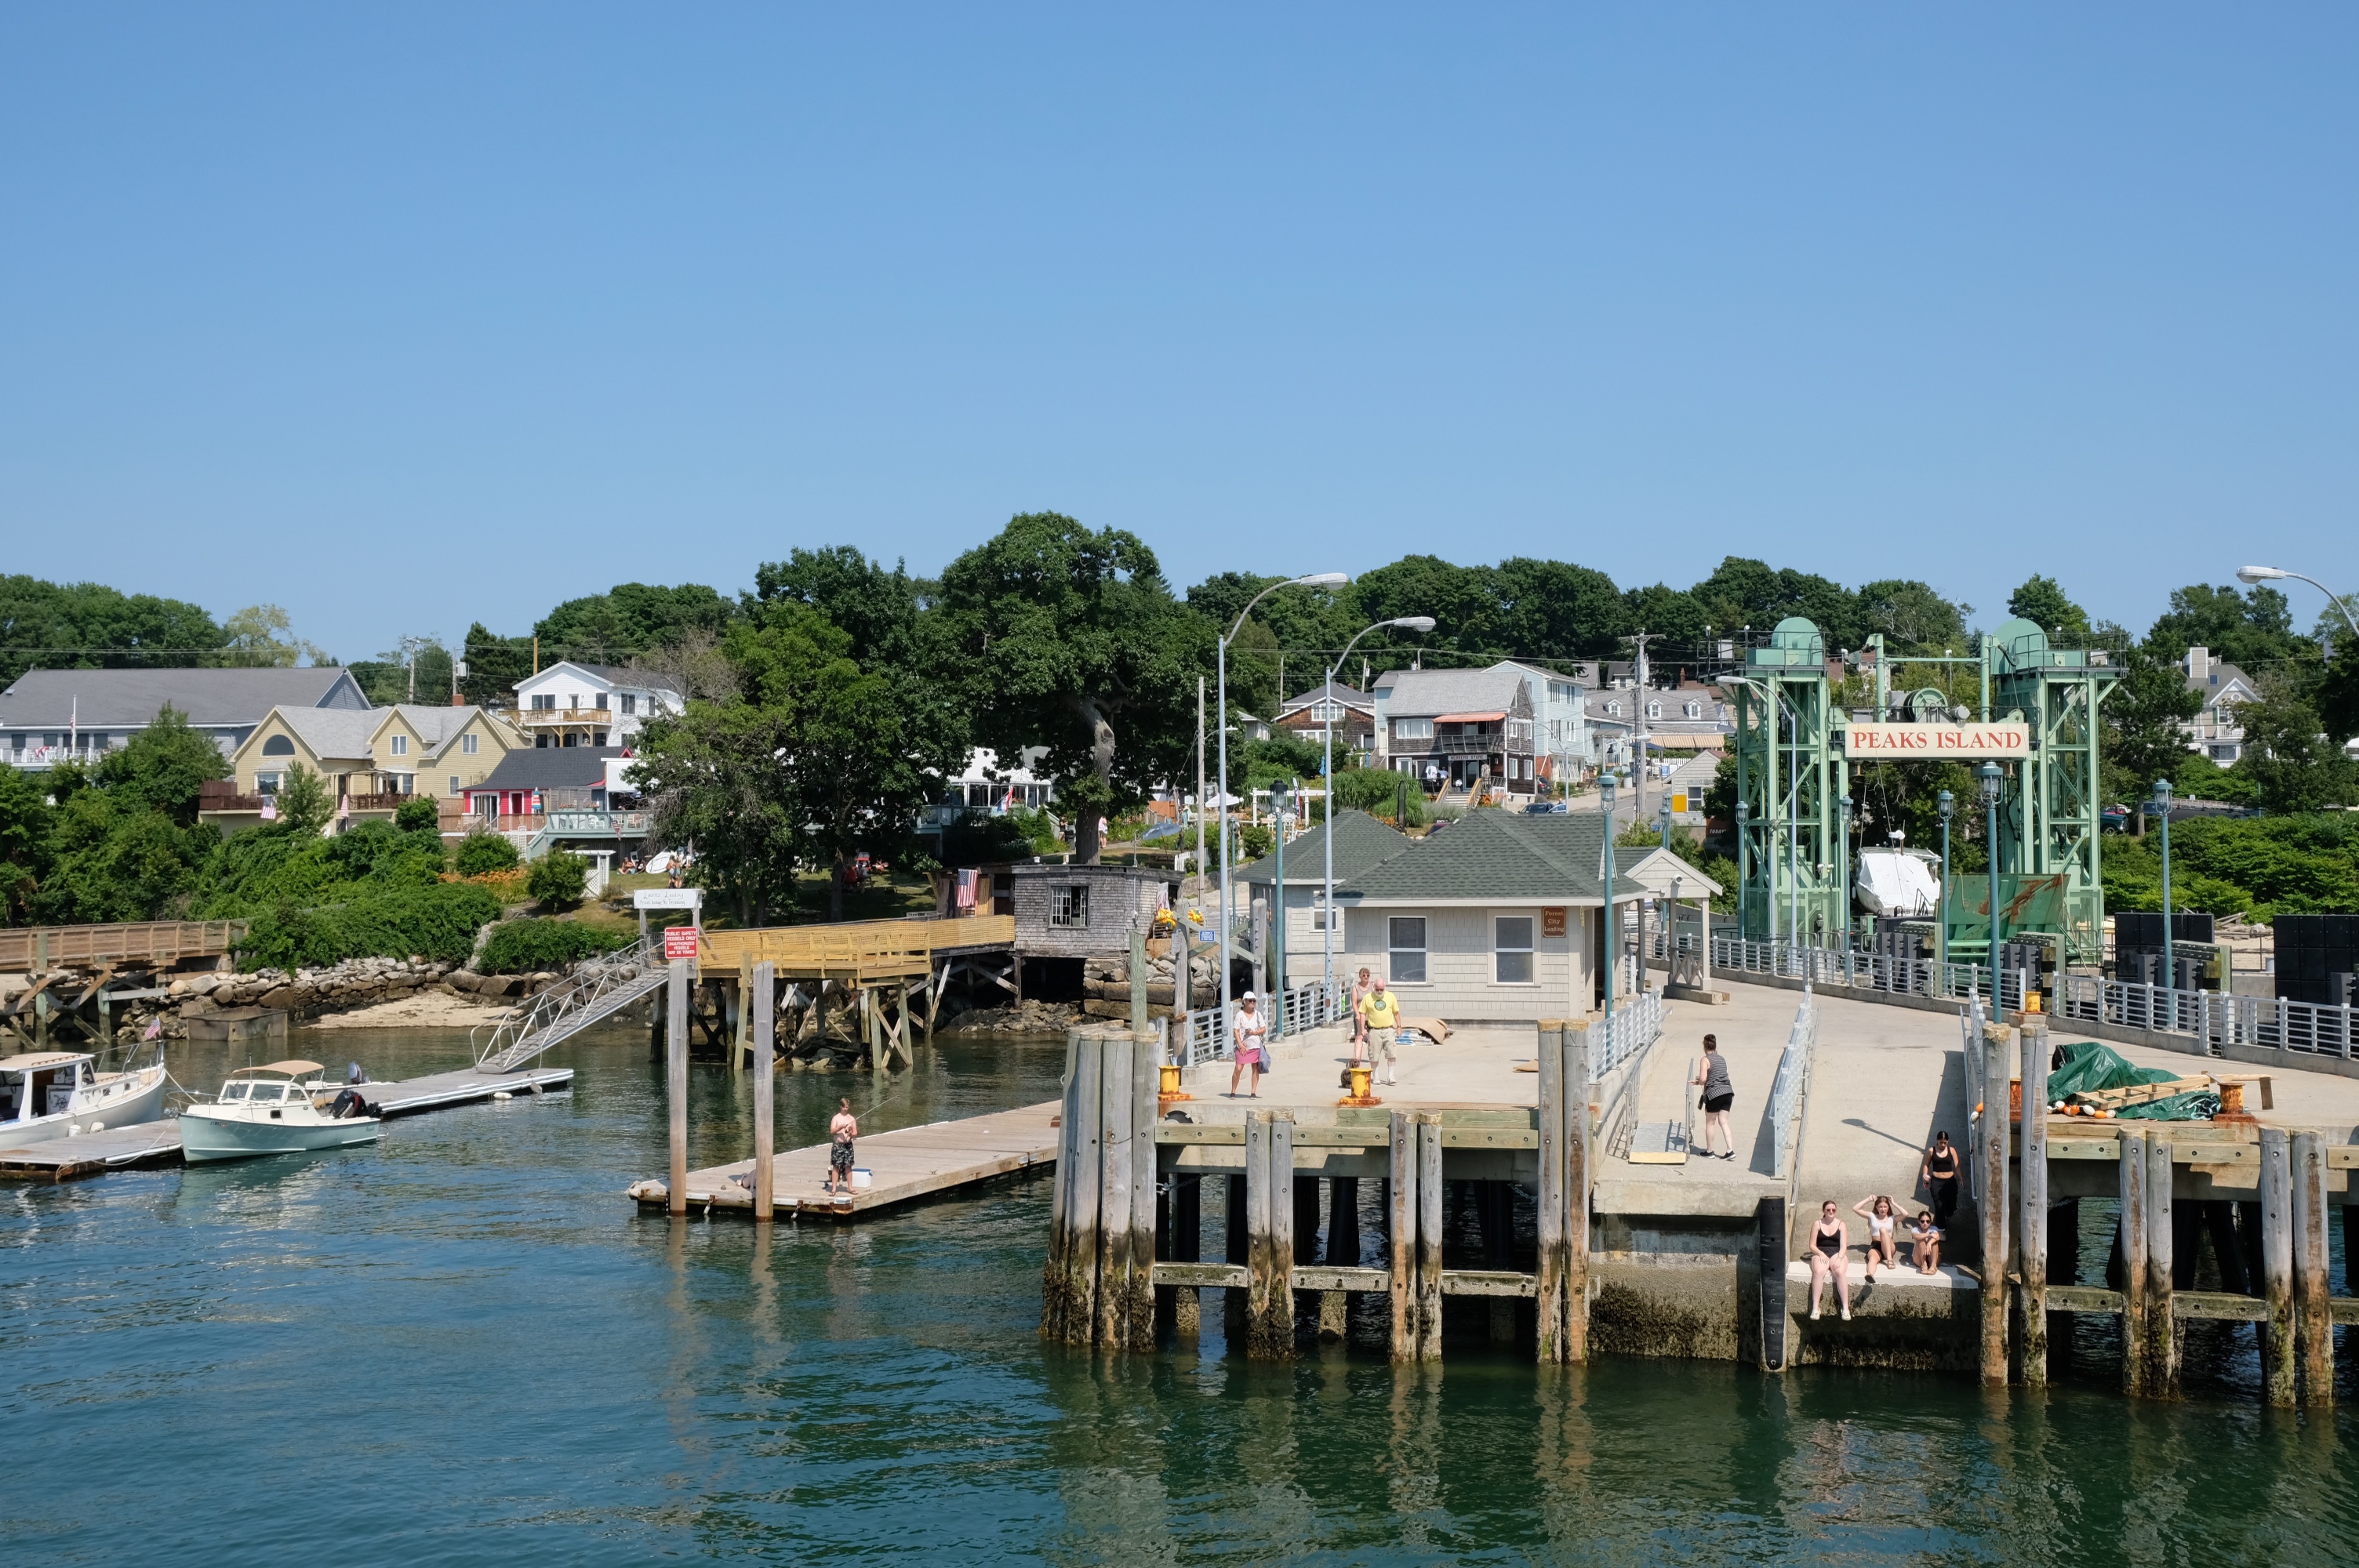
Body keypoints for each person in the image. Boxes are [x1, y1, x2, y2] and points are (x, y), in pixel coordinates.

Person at [1690, 1034, 1735, 1160]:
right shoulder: (1722, 1059)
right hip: (1728, 1092)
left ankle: (1710, 1151)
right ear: (1715, 1046)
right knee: (1724, 1122)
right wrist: (1701, 1082)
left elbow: (1704, 1079)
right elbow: (1718, 1076)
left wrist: (1699, 1081)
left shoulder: (1705, 1060)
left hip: (1714, 1094)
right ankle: (1730, 1150)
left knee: (1710, 1123)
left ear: (1705, 1046)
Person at [1808, 1200, 1852, 1321]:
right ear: (1823, 1211)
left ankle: (1845, 1308)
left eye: (1833, 1210)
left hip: (1837, 1253)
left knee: (1839, 1272)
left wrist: (1840, 1258)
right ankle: (1815, 1308)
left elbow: (1843, 1246)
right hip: (1821, 1252)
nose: (1831, 1212)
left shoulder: (1841, 1224)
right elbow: (1812, 1245)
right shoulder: (1817, 1224)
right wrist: (1820, 1253)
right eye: (1828, 1210)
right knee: (1819, 1272)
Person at [1358, 977, 1403, 1086]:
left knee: (1392, 1054)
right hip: (1374, 1031)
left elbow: (1396, 1012)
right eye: (1377, 989)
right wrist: (1363, 1029)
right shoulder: (1368, 998)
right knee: (1373, 1055)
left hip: (1388, 1029)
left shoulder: (1391, 996)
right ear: (1374, 987)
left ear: (1385, 987)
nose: (1379, 992)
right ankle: (1376, 1077)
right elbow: (1363, 1013)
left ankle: (1391, 1076)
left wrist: (1399, 1026)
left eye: (1381, 990)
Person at [1229, 993, 1269, 1098]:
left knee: (1255, 1068)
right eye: (1250, 1000)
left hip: (1255, 1046)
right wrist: (1241, 1045)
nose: (1252, 1003)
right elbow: (1236, 1031)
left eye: (1254, 1001)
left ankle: (1253, 1092)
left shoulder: (1257, 1014)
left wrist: (1255, 1033)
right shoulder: (1240, 1015)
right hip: (1243, 1046)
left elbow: (1263, 1029)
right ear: (1245, 1001)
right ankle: (1233, 1091)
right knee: (1238, 1068)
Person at [1921, 1131, 1961, 1232]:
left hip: (1950, 1182)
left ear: (1948, 1142)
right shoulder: (1931, 1151)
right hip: (1936, 1182)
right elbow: (1926, 1165)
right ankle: (1941, 1229)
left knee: (1950, 1206)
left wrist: (1961, 1178)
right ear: (1937, 1141)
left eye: (1945, 1143)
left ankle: (1948, 1213)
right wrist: (1925, 1174)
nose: (1943, 1145)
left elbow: (1957, 1165)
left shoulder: (1952, 1150)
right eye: (1941, 1142)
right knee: (1939, 1206)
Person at [1852, 1195, 1899, 1280]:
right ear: (1876, 1207)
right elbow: (1855, 1209)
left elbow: (1906, 1214)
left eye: (1885, 1207)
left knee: (1883, 1230)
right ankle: (1870, 1274)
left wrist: (1894, 1203)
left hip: (1888, 1246)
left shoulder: (1892, 1218)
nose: (1883, 1209)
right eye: (1880, 1207)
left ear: (1888, 1207)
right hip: (1875, 1245)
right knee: (1872, 1258)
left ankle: (1890, 1260)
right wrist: (1868, 1199)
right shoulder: (1872, 1216)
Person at [827, 1098, 859, 1195]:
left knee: (848, 1166)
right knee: (836, 1166)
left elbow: (855, 1132)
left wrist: (851, 1134)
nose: (845, 1109)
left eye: (847, 1107)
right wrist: (840, 1127)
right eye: (844, 1107)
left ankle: (850, 1188)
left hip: (848, 1145)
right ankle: (834, 1189)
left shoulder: (851, 1119)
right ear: (840, 1106)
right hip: (838, 1145)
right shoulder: (836, 1118)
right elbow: (832, 1131)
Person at [1349, 967, 1375, 1065]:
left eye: (1367, 975)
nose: (1366, 976)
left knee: (1372, 1037)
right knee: (1359, 1036)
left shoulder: (1372, 986)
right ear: (1360, 976)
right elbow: (1354, 1002)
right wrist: (1357, 1014)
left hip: (1371, 1015)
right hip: (1360, 1015)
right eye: (1364, 975)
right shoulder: (1356, 988)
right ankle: (1357, 1058)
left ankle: (1373, 1056)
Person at [1910, 1209, 1943, 1275]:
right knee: (1921, 1239)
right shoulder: (1915, 1229)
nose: (1925, 1223)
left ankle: (1933, 1266)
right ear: (1919, 1221)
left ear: (1930, 1221)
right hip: (1919, 1258)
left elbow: (1937, 1237)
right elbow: (1916, 1236)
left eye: (1928, 1221)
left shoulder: (1934, 1228)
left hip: (1932, 1256)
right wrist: (1929, 1235)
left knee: (1934, 1242)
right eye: (1923, 1221)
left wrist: (1929, 1243)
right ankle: (1924, 1265)